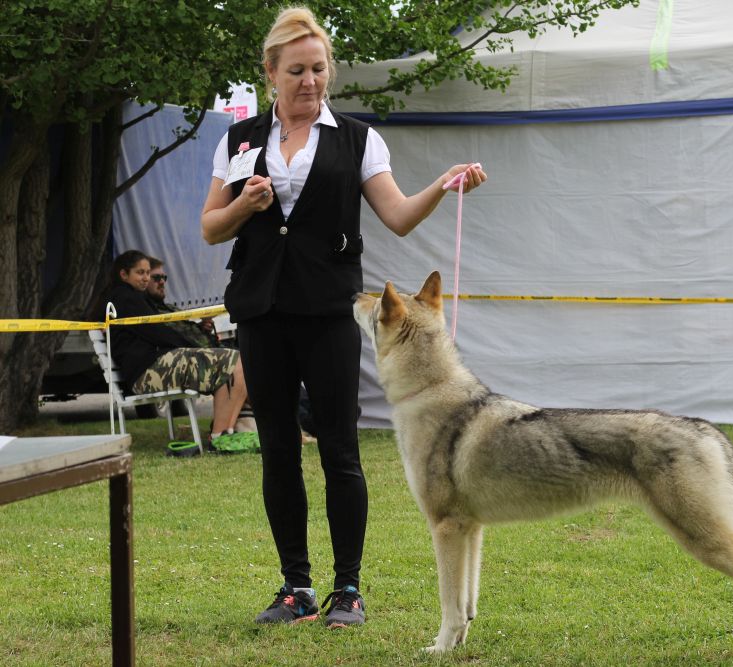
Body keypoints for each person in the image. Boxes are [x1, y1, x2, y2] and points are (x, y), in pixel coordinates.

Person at [200, 6, 486, 629]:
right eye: (297, 70)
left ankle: (348, 590)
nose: (310, 81)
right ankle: (294, 587)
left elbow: (399, 216)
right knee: (277, 448)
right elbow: (210, 229)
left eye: (320, 69)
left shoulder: (357, 138)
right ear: (271, 72)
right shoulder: (239, 139)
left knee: (340, 449)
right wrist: (245, 205)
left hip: (329, 309)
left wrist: (441, 185)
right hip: (262, 309)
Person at [104, 250, 250, 446]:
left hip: (153, 365)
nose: (146, 278)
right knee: (237, 361)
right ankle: (220, 436)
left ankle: (224, 434)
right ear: (124, 274)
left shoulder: (134, 298)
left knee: (238, 363)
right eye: (141, 273)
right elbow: (157, 332)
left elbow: (159, 332)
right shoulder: (125, 298)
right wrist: (191, 346)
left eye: (148, 273)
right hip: (145, 373)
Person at [144, 256, 220, 348]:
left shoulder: (171, 308)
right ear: (145, 280)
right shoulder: (149, 313)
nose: (162, 282)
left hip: (213, 350)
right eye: (156, 278)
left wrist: (202, 327)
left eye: (164, 277)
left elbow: (185, 332)